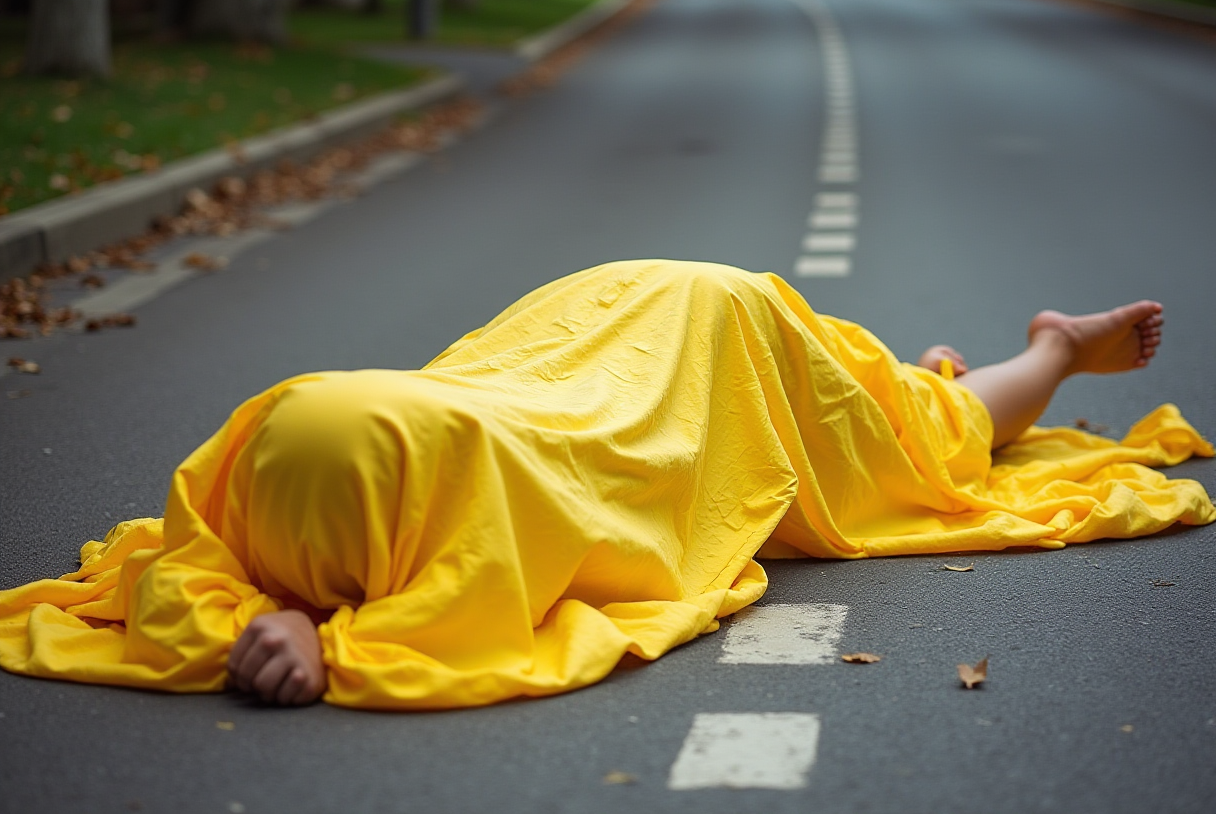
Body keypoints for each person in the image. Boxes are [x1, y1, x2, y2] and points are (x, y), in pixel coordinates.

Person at [1, 260, 1212, 710]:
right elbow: (199, 559)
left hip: (714, 352)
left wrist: (331, 641)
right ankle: (981, 358)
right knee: (892, 404)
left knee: (924, 445)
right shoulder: (275, 456)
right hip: (593, 317)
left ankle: (1050, 345)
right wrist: (282, 615)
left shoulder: (482, 499)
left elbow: (477, 619)